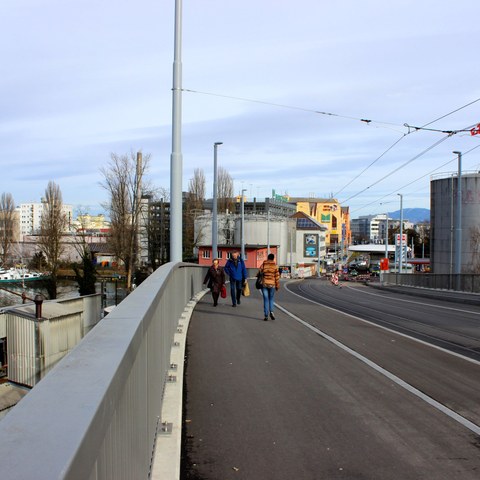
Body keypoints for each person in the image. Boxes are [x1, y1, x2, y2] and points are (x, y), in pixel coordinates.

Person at [258, 253, 280, 321]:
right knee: (271, 299)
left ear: (268, 258)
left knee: (266, 299)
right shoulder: (275, 266)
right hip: (272, 284)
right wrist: (277, 286)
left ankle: (266, 315)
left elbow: (259, 272)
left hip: (264, 284)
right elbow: (277, 277)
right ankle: (272, 312)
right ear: (273, 258)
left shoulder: (264, 264)